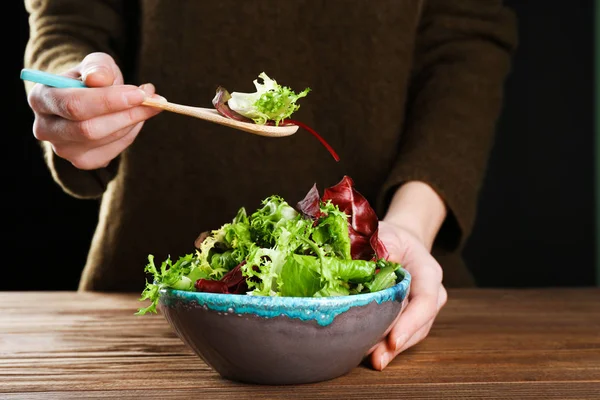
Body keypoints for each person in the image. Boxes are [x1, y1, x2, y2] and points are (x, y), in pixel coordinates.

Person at [22, 0, 518, 371]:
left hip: (378, 316)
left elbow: (464, 37)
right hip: (145, 324)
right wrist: (74, 91)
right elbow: (68, 17)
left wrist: (410, 224)